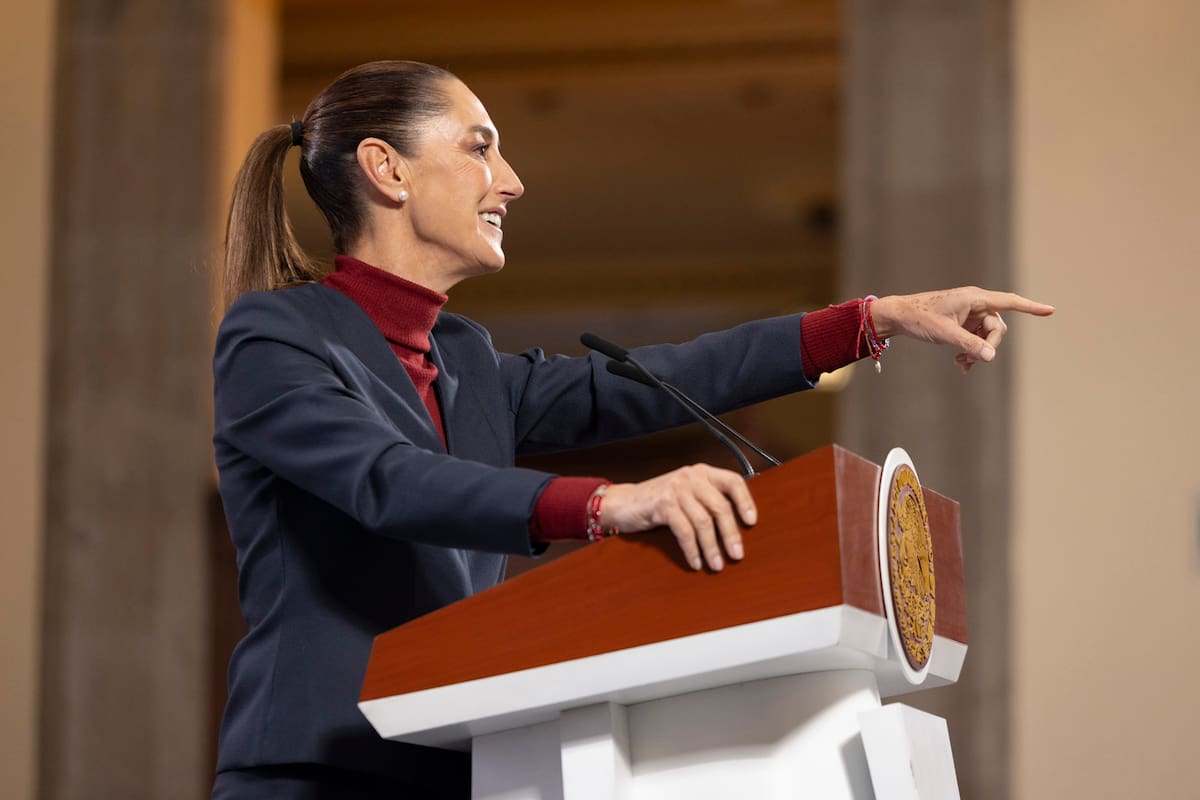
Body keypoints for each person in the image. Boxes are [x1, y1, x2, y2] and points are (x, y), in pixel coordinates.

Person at [210, 60, 1053, 799]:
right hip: (316, 771)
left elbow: (656, 381)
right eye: (480, 146)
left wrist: (875, 317)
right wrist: (609, 506)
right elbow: (386, 481)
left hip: (465, 764)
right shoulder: (273, 338)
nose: (510, 180)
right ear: (385, 168)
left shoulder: (464, 358)